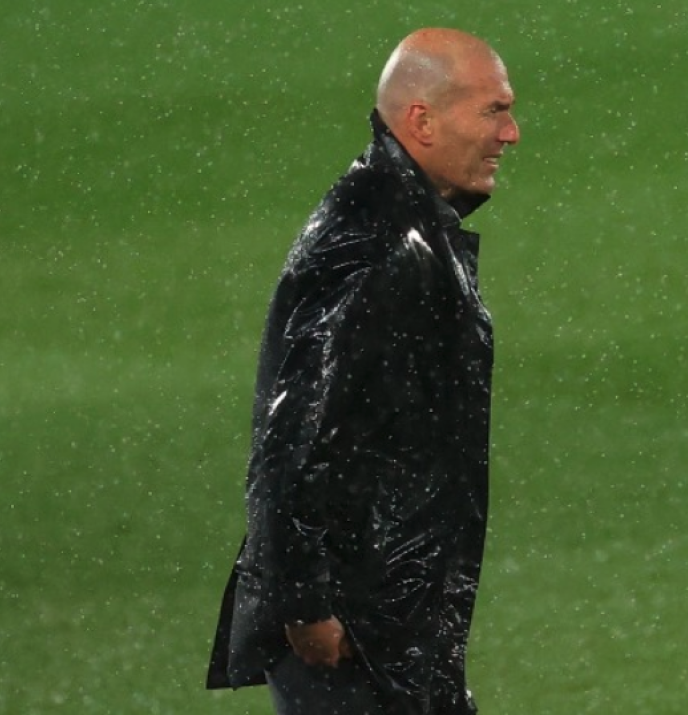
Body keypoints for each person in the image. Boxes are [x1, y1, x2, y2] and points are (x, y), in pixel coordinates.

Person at [206, 28, 520, 715]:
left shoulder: (405, 222)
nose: (512, 133)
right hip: (358, 632)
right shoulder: (374, 241)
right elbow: (292, 433)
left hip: (395, 621)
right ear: (422, 119)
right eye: (493, 110)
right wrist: (304, 600)